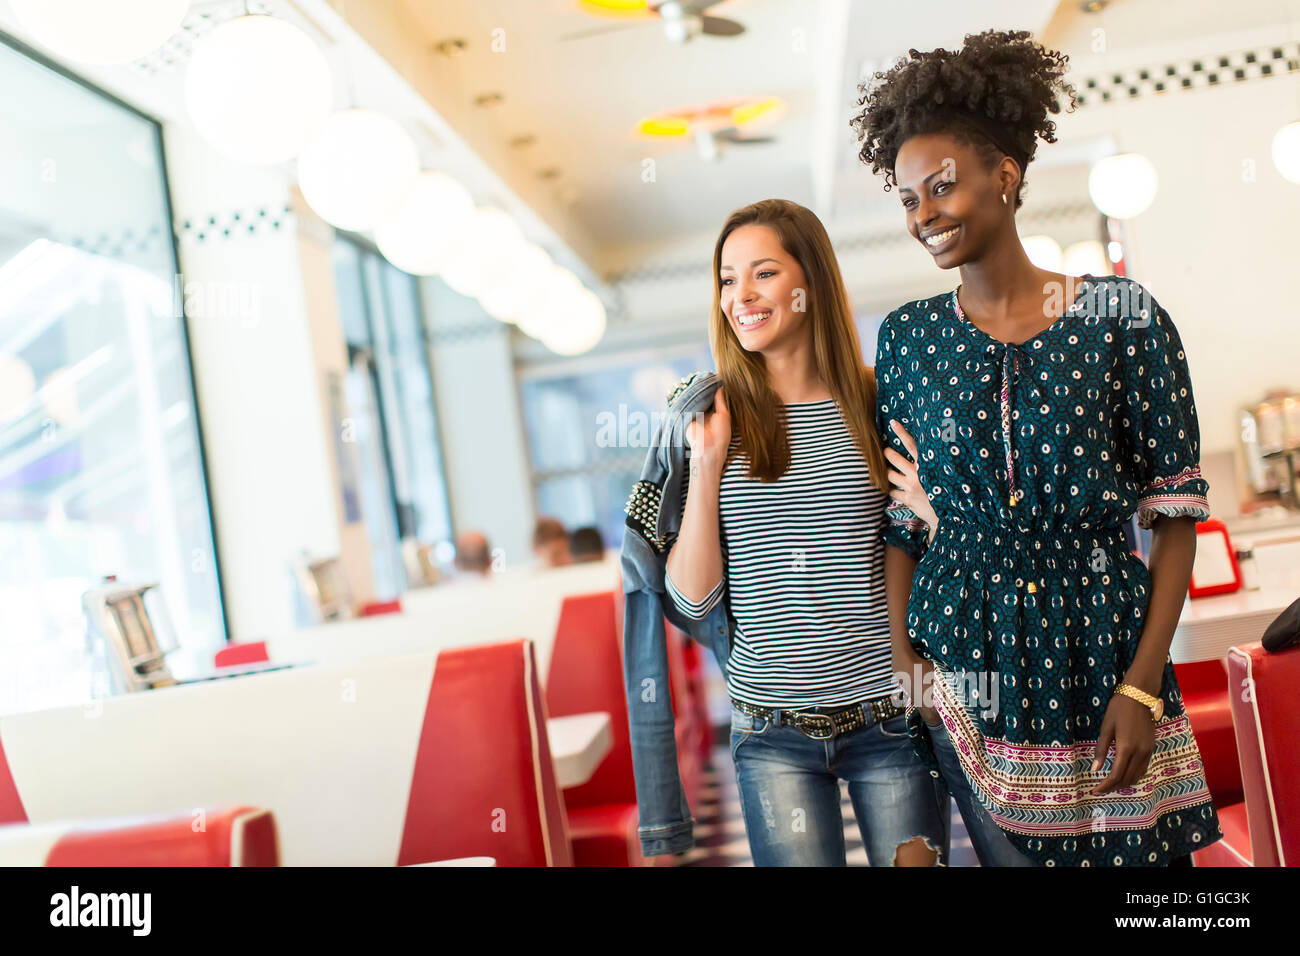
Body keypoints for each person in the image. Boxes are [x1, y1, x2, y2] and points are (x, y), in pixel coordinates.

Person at [851, 29, 1222, 866]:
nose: (924, 215)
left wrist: (1142, 682)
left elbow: (1173, 516)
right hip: (965, 666)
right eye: (908, 199)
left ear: (1005, 176)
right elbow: (903, 523)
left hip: (1106, 648)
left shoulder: (1122, 318)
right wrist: (908, 664)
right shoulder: (909, 341)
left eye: (941, 187)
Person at [663, 198, 950, 866]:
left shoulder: (879, 402)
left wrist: (937, 509)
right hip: (771, 732)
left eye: (762, 273)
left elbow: (928, 539)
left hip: (890, 715)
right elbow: (693, 599)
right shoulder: (713, 417)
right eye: (728, 280)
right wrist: (706, 467)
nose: (742, 296)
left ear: (809, 284)